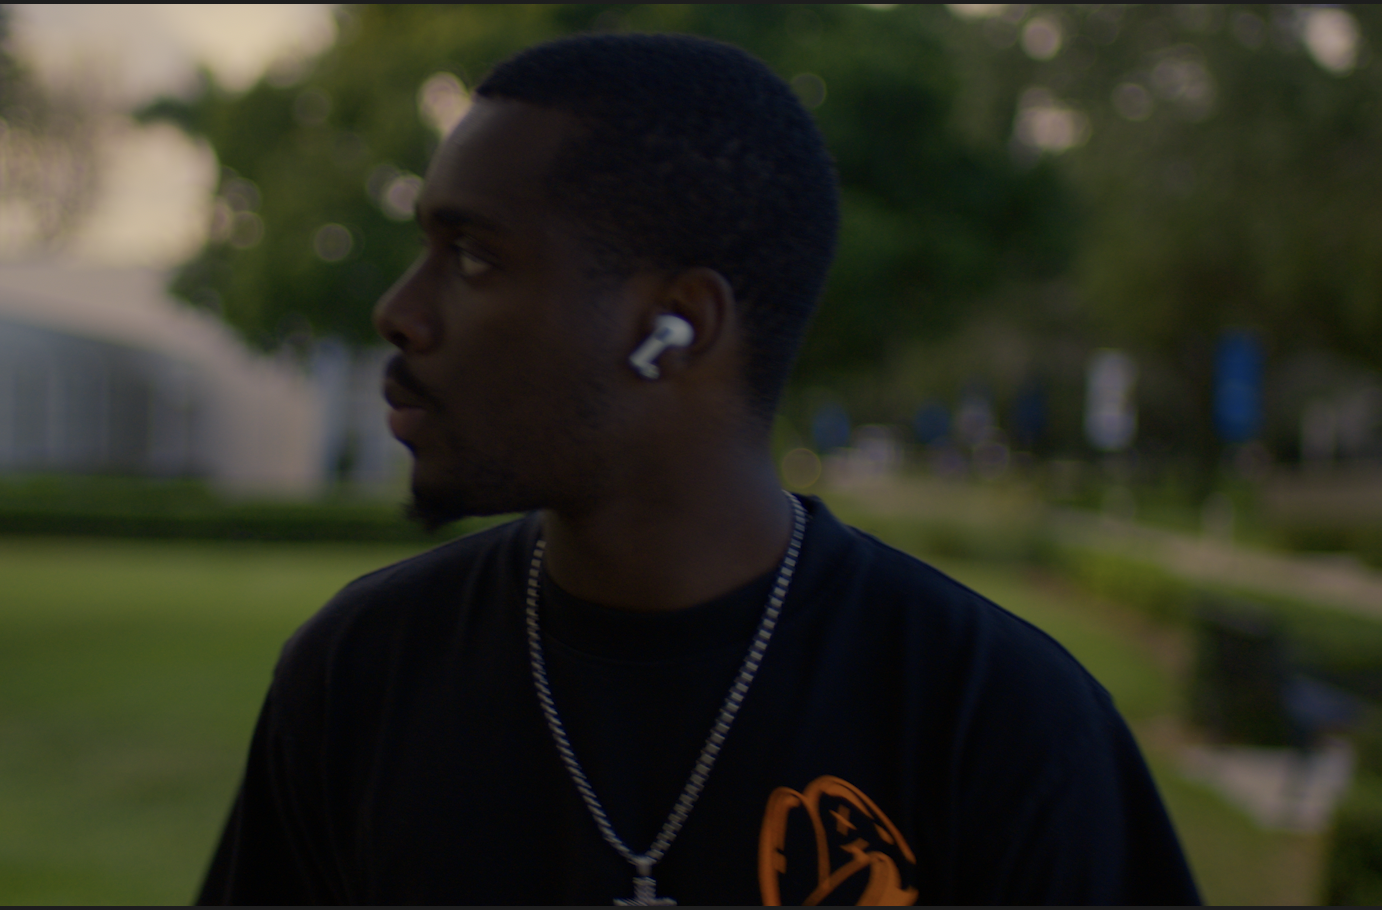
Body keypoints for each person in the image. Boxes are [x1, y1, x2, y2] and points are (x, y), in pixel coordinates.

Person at [198, 32, 1201, 906]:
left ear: (674, 327)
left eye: (474, 257)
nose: (399, 311)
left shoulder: (999, 721)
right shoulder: (359, 674)